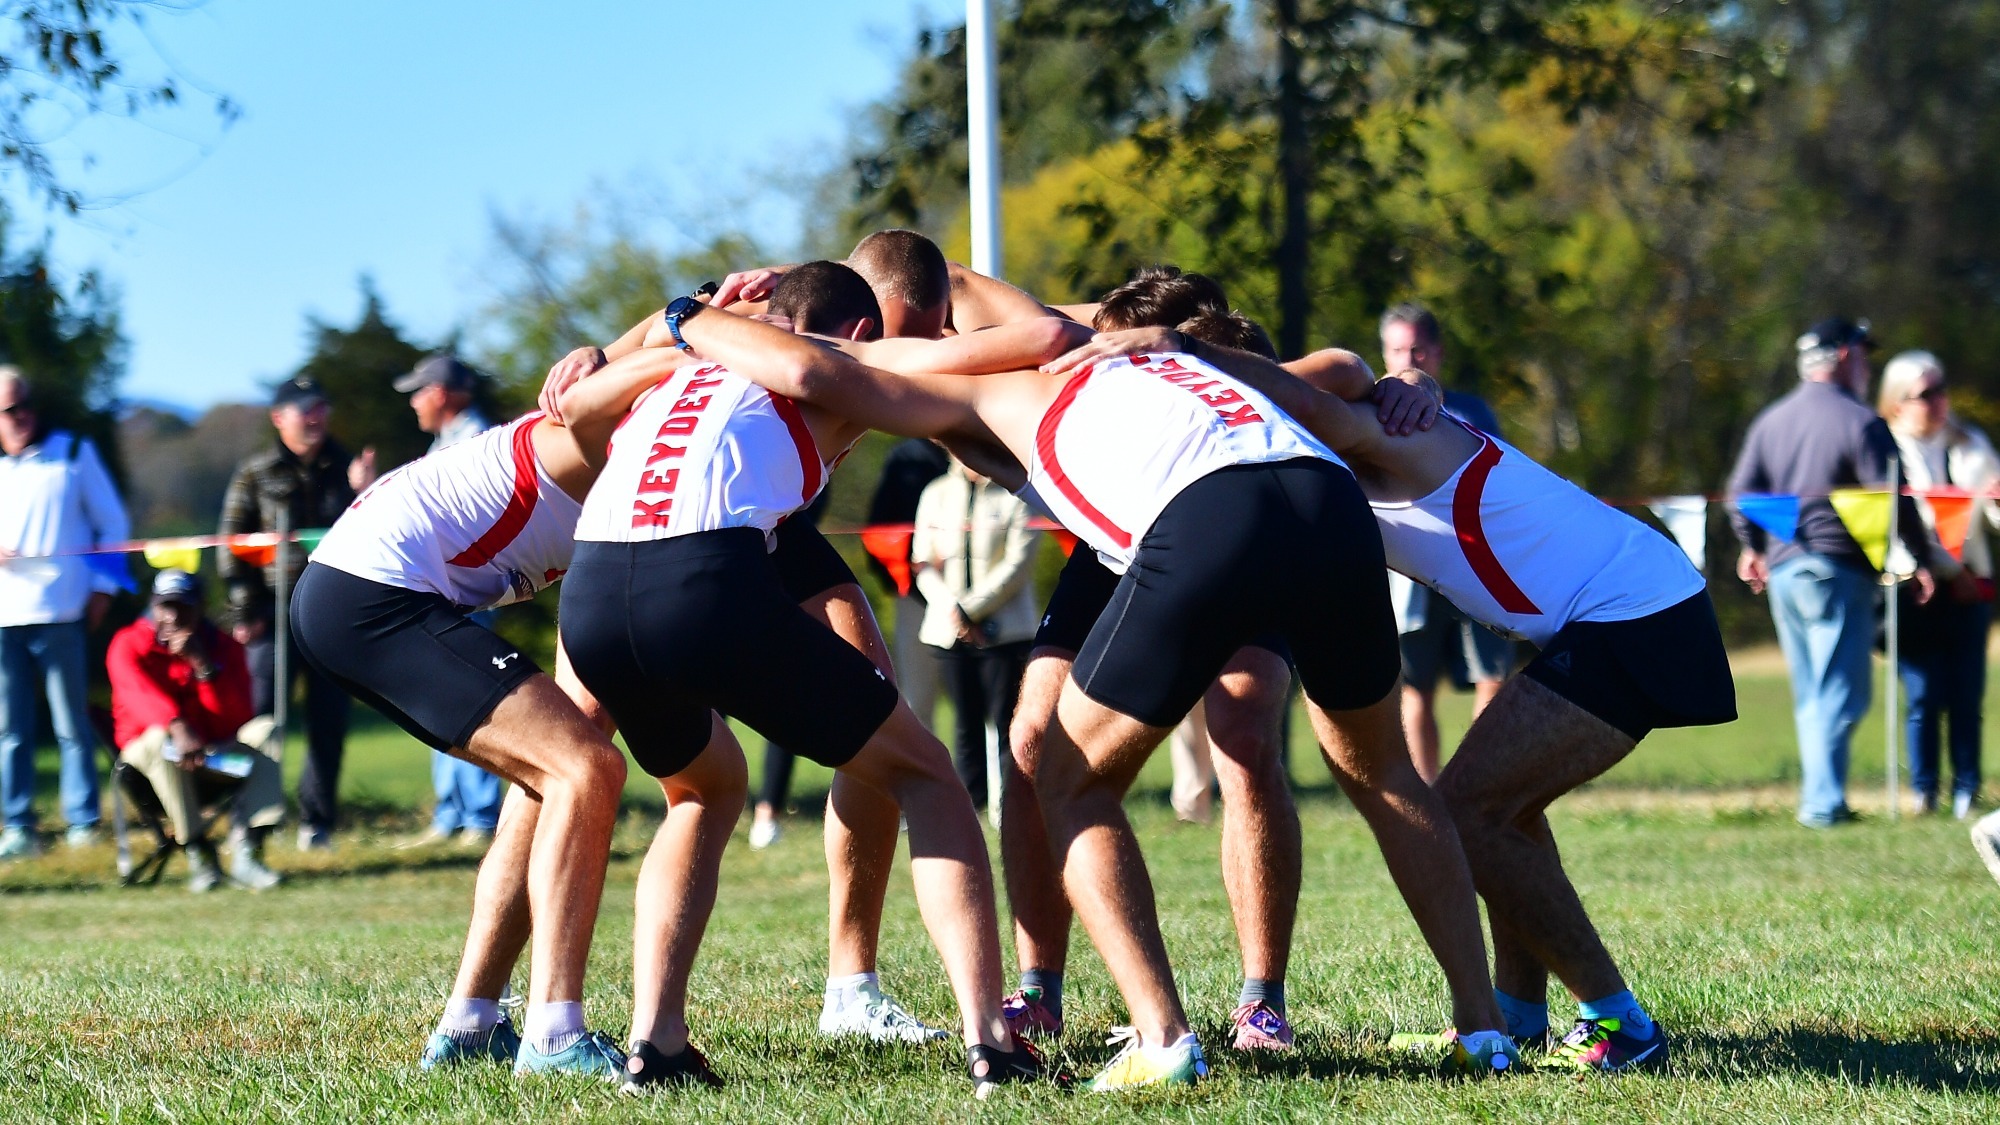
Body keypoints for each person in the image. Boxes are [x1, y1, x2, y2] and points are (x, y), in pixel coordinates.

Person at [668, 301, 1517, 1090]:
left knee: (1064, 774)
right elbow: (1332, 369)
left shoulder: (999, 383)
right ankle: (1483, 1032)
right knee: (1384, 770)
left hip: (1208, 511)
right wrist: (1413, 380)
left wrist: (692, 321)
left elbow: (832, 370)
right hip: (1324, 496)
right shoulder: (1171, 363)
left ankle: (1162, 1038)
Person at [1061, 320, 1737, 1072]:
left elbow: (1321, 395)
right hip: (1623, 609)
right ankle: (1518, 1018)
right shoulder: (1312, 465)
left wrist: (1187, 353)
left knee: (1473, 813)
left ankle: (1621, 1023)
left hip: (1639, 614)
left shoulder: (1374, 431)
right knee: (1499, 809)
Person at [555, 262, 1046, 1094]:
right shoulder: (828, 369)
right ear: (858, 333)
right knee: (926, 772)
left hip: (593, 594)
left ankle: (657, 1042)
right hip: (701, 577)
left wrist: (669, 321)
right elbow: (1013, 359)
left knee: (703, 787)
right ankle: (993, 1040)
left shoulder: (680, 366)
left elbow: (574, 403)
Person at [293, 404, 633, 1079]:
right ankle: (557, 1037)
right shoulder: (605, 436)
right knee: (587, 770)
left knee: (557, 771)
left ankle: (471, 1024)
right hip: (374, 596)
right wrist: (687, 318)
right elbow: (650, 355)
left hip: (351, 592)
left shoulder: (627, 451)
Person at [1727, 317, 1941, 828]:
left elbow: (1739, 496)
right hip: (1837, 571)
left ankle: (1824, 800)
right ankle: (1823, 806)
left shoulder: (1770, 420)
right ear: (1845, 357)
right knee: (1842, 693)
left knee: (1812, 694)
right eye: (1864, 355)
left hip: (1784, 574)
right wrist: (1923, 558)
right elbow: (1891, 498)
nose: (1868, 366)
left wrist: (1752, 546)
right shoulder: (1860, 421)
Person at [217, 375, 376, 850]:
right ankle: (248, 821)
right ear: (278, 418)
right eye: (304, 408)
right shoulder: (255, 472)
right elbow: (230, 544)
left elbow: (379, 535)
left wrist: (363, 491)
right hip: (272, 615)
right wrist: (246, 610)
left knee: (329, 723)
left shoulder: (349, 468)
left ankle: (317, 824)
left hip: (333, 613)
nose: (315, 417)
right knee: (260, 724)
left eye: (321, 407)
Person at [1379, 303, 1516, 781]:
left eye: (1417, 348)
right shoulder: (1366, 413)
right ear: (1384, 353)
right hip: (1409, 572)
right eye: (1397, 349)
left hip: (1477, 562)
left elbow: (1501, 480)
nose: (1408, 358)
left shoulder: (1472, 411)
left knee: (1492, 677)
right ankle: (1430, 794)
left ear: (1436, 352)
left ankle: (1479, 784)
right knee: (1416, 688)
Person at [0, 367, 130, 858]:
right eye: (8, 410)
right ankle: (18, 826)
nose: (20, 417)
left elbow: (112, 523)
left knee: (71, 723)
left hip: (61, 613)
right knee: (11, 729)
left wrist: (102, 589)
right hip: (3, 619)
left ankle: (83, 821)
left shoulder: (73, 454)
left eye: (24, 405)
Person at [106, 569, 283, 892]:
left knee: (266, 730)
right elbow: (138, 697)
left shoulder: (224, 647)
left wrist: (203, 667)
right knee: (158, 740)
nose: (172, 616)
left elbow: (234, 720)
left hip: (212, 759)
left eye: (182, 607)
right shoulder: (127, 644)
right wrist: (178, 726)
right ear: (153, 606)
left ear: (200, 606)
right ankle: (198, 852)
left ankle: (249, 850)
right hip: (147, 766)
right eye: (164, 606)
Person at [1878, 350, 1994, 819]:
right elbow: (1907, 521)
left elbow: (1989, 513)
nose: (1938, 401)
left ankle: (1968, 789)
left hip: (1972, 587)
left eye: (1941, 390)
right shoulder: (1884, 447)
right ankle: (1923, 790)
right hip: (1915, 586)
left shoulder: (1972, 443)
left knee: (1967, 693)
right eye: (1926, 394)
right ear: (1897, 401)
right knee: (1923, 693)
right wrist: (1948, 567)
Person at [396, 353, 504, 848]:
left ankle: (480, 816)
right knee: (441, 699)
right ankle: (453, 813)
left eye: (418, 392)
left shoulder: (475, 441)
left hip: (465, 592)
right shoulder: (446, 442)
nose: (414, 403)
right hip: (442, 590)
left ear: (439, 394)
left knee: (469, 702)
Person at [911, 458, 1040, 810]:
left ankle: (1013, 808)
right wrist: (953, 610)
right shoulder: (935, 493)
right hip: (948, 632)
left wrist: (972, 609)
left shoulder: (1017, 493)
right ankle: (972, 806)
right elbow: (922, 561)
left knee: (1009, 725)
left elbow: (1018, 564)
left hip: (1006, 631)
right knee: (965, 726)